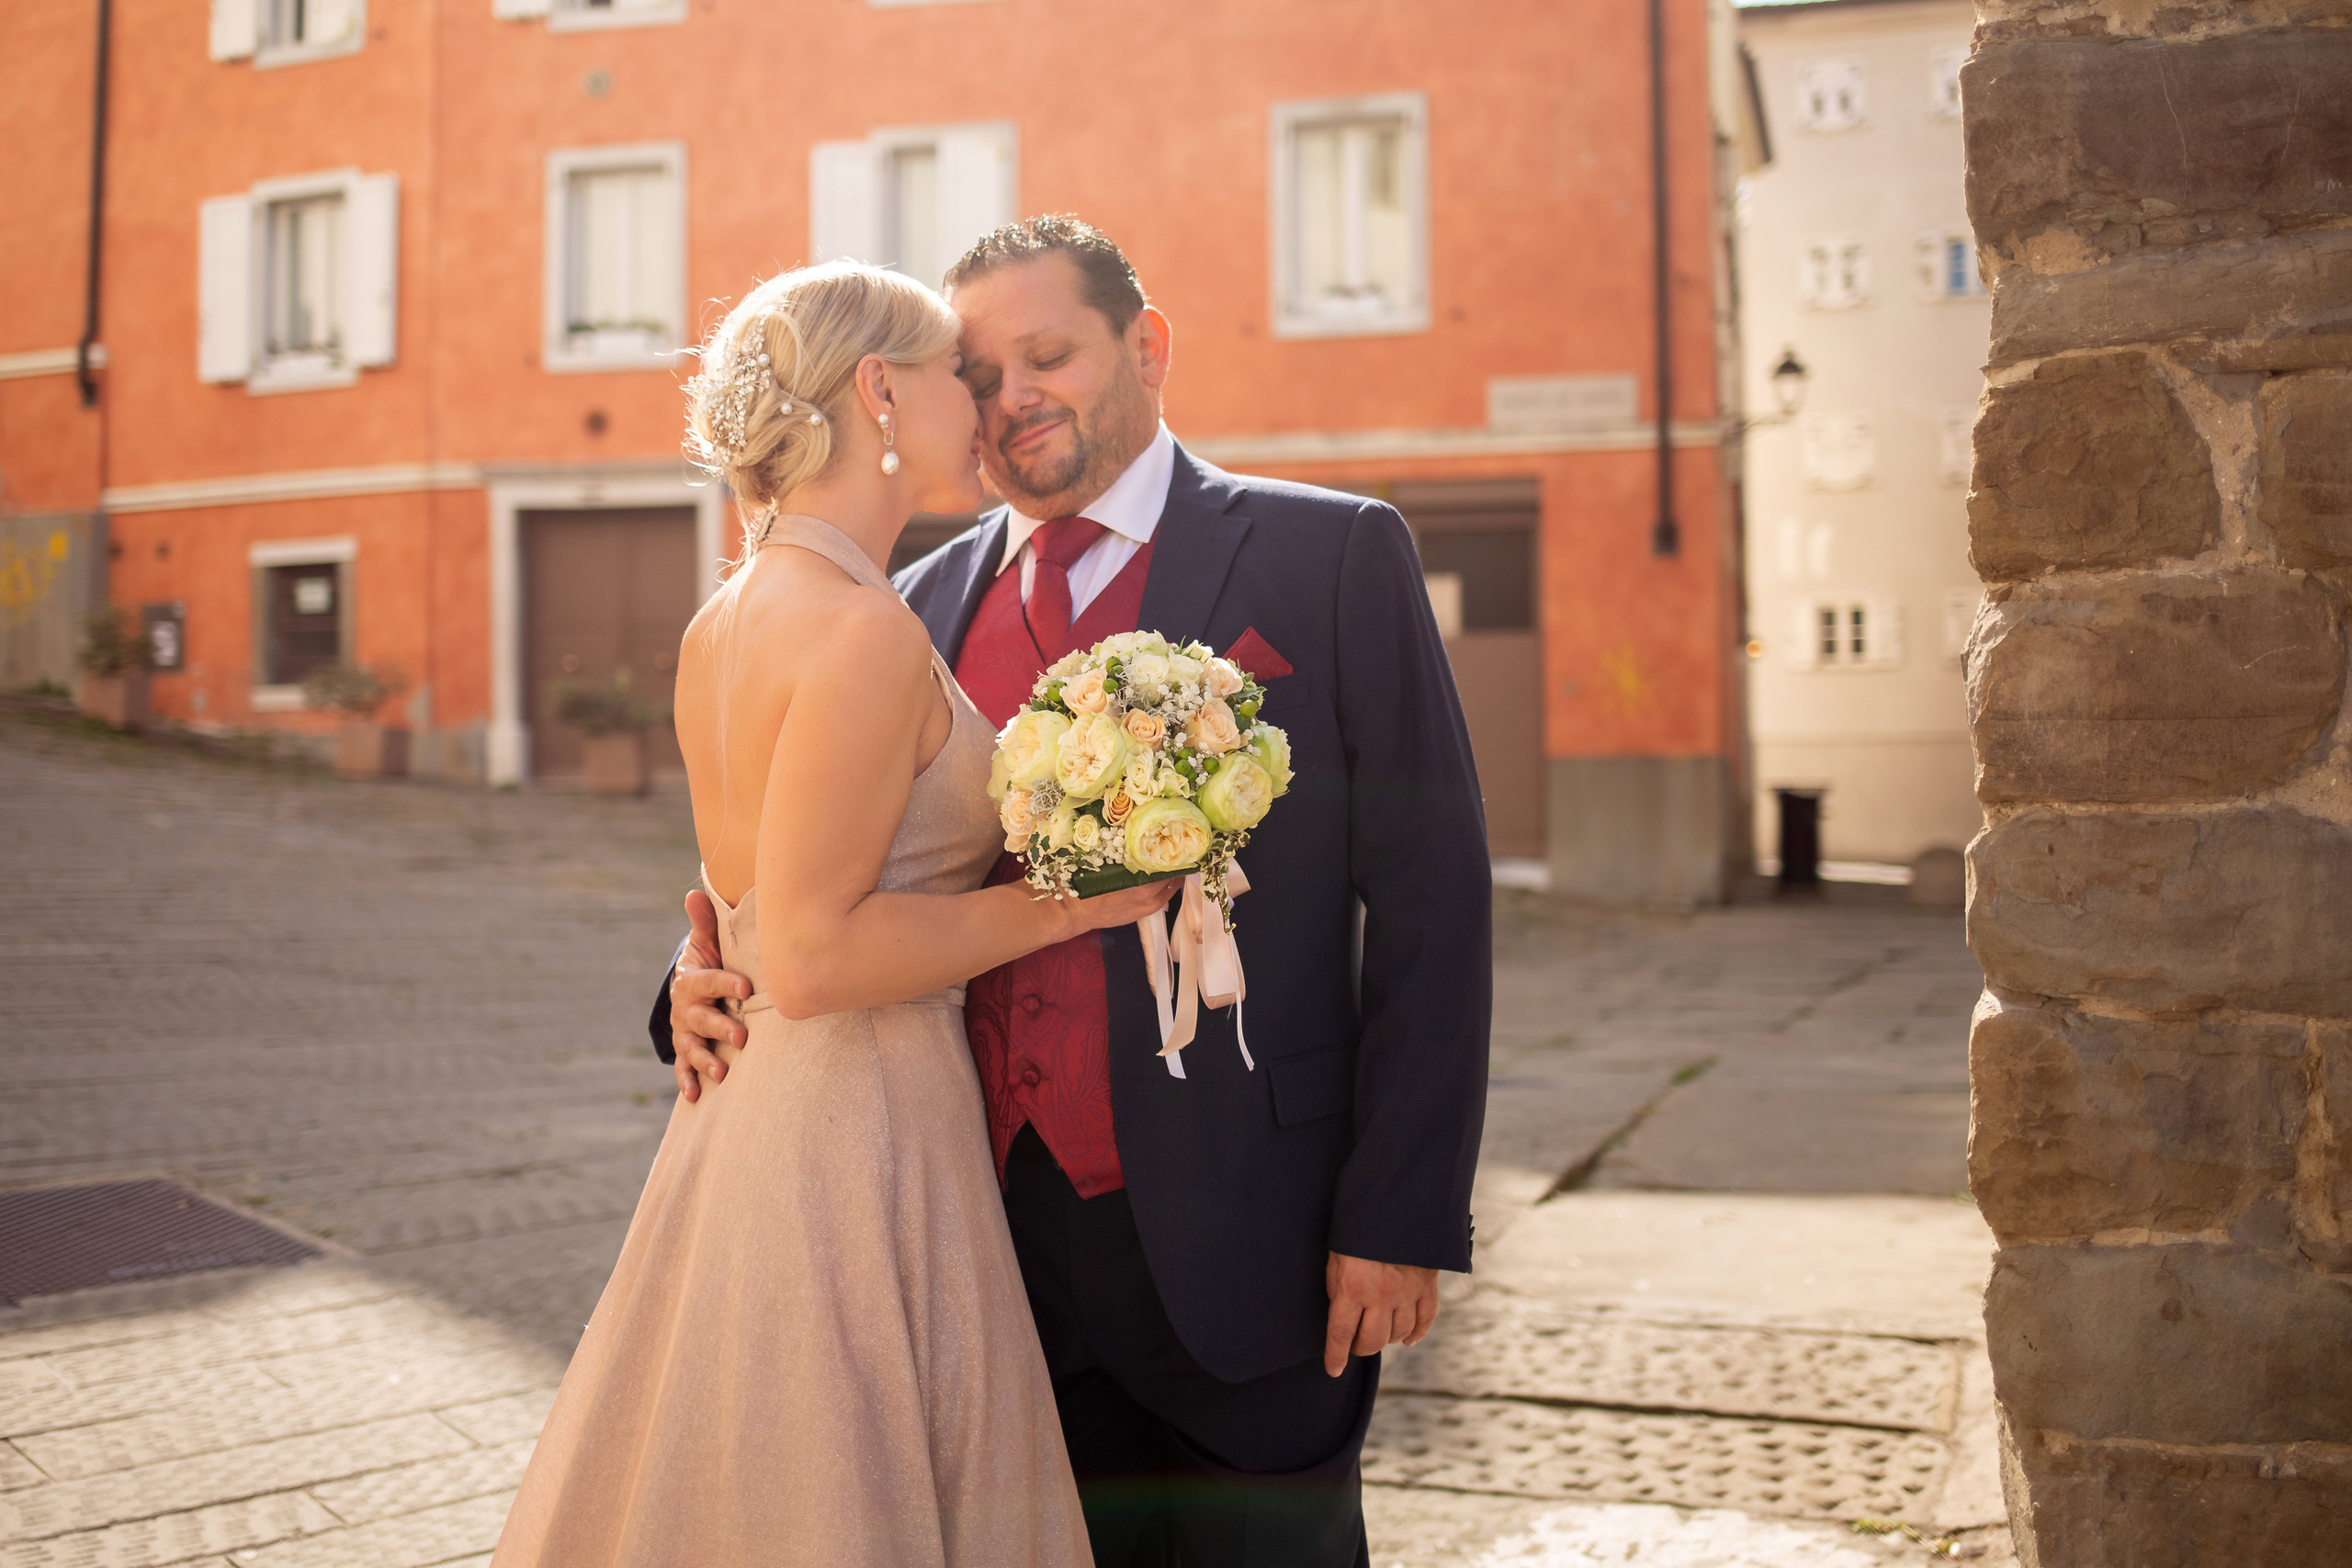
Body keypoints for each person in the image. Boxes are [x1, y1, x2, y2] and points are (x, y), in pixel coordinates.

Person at [661, 218, 1494, 1568]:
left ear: (1146, 347)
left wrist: (1399, 1215)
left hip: (1254, 1228)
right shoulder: (906, 602)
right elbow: (820, 862)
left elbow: (1433, 906)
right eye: (979, 374)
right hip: (980, 1240)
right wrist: (696, 976)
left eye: (1048, 356)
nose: (1011, 400)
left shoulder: (1332, 552)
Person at [493, 261, 1177, 1568]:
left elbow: (762, 907)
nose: (985, 405)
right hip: (859, 1121)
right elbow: (812, 954)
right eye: (957, 375)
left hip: (752, 1109)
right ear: (879, 391)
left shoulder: (724, 621)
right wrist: (1059, 911)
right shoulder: (864, 629)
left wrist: (706, 960)